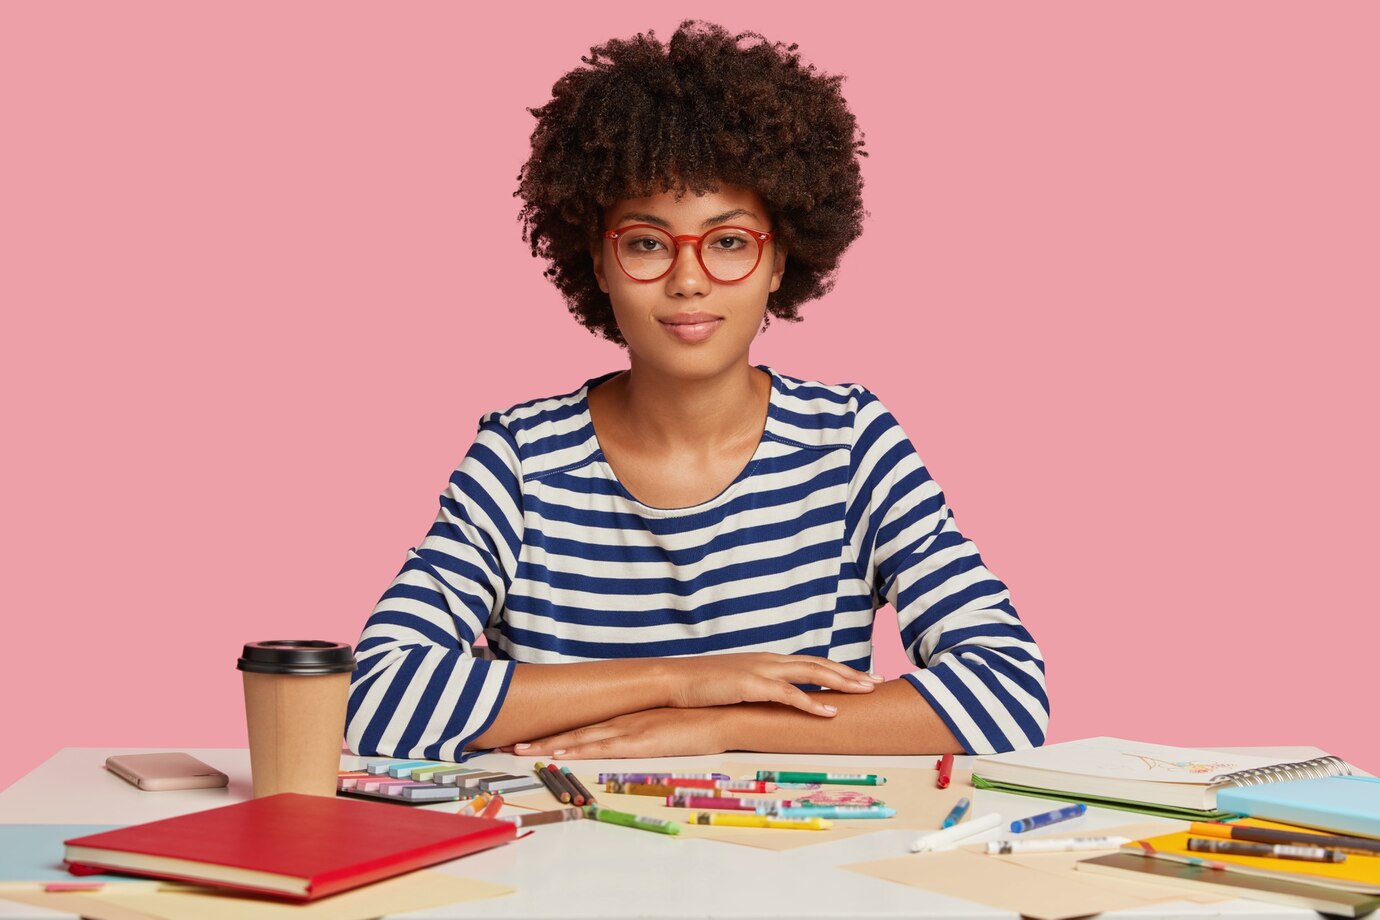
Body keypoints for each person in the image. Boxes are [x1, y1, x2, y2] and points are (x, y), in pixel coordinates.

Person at [346, 20, 1048, 762]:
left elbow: (1006, 694)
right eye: (648, 242)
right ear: (599, 258)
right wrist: (684, 682)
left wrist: (726, 725)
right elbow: (379, 698)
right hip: (565, 866)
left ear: (781, 258)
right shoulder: (520, 461)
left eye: (729, 242)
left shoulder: (848, 446)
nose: (688, 279)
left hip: (800, 865)